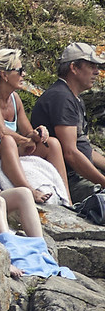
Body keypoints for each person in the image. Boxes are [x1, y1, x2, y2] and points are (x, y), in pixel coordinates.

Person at [30, 43, 105, 197]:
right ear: (74, 68)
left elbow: (84, 147)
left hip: (80, 174)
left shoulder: (72, 97)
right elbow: (70, 153)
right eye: (91, 66)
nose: (97, 72)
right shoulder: (61, 98)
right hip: (70, 180)